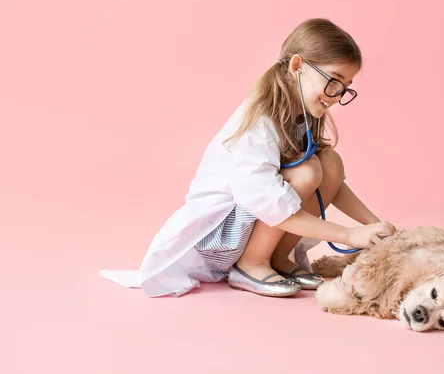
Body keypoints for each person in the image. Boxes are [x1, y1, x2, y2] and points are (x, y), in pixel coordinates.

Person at [99, 18, 396, 298]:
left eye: (345, 87)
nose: (337, 94)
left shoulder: (303, 113)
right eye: (334, 81)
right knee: (306, 173)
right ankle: (251, 265)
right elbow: (268, 203)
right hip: (219, 237)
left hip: (255, 223)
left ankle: (276, 258)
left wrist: (377, 226)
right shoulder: (259, 124)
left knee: (329, 163)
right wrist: (348, 235)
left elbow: (331, 184)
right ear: (297, 67)